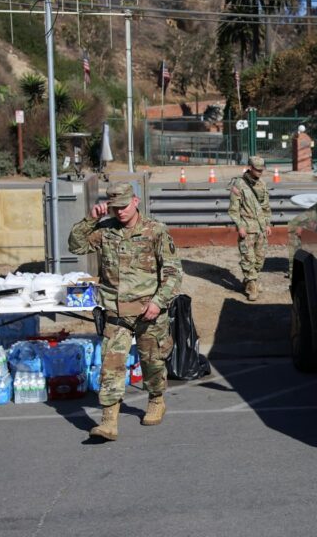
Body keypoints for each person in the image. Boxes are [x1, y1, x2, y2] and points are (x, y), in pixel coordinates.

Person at [68, 182, 183, 441]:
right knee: (111, 367)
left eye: (123, 206)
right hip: (116, 313)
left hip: (148, 311)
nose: (119, 212)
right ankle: (109, 420)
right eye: (114, 207)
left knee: (152, 362)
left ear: (136, 201)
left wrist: (158, 302)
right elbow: (75, 246)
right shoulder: (105, 230)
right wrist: (91, 218)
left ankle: (156, 399)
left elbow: (173, 271)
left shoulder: (156, 231)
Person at [228, 156, 272, 301]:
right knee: (248, 258)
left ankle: (249, 280)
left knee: (260, 259)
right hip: (247, 228)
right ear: (250, 168)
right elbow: (233, 210)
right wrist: (239, 226)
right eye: (257, 170)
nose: (260, 172)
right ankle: (252, 285)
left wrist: (267, 224)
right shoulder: (239, 184)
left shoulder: (262, 184)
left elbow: (266, 207)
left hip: (260, 228)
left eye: (262, 170)